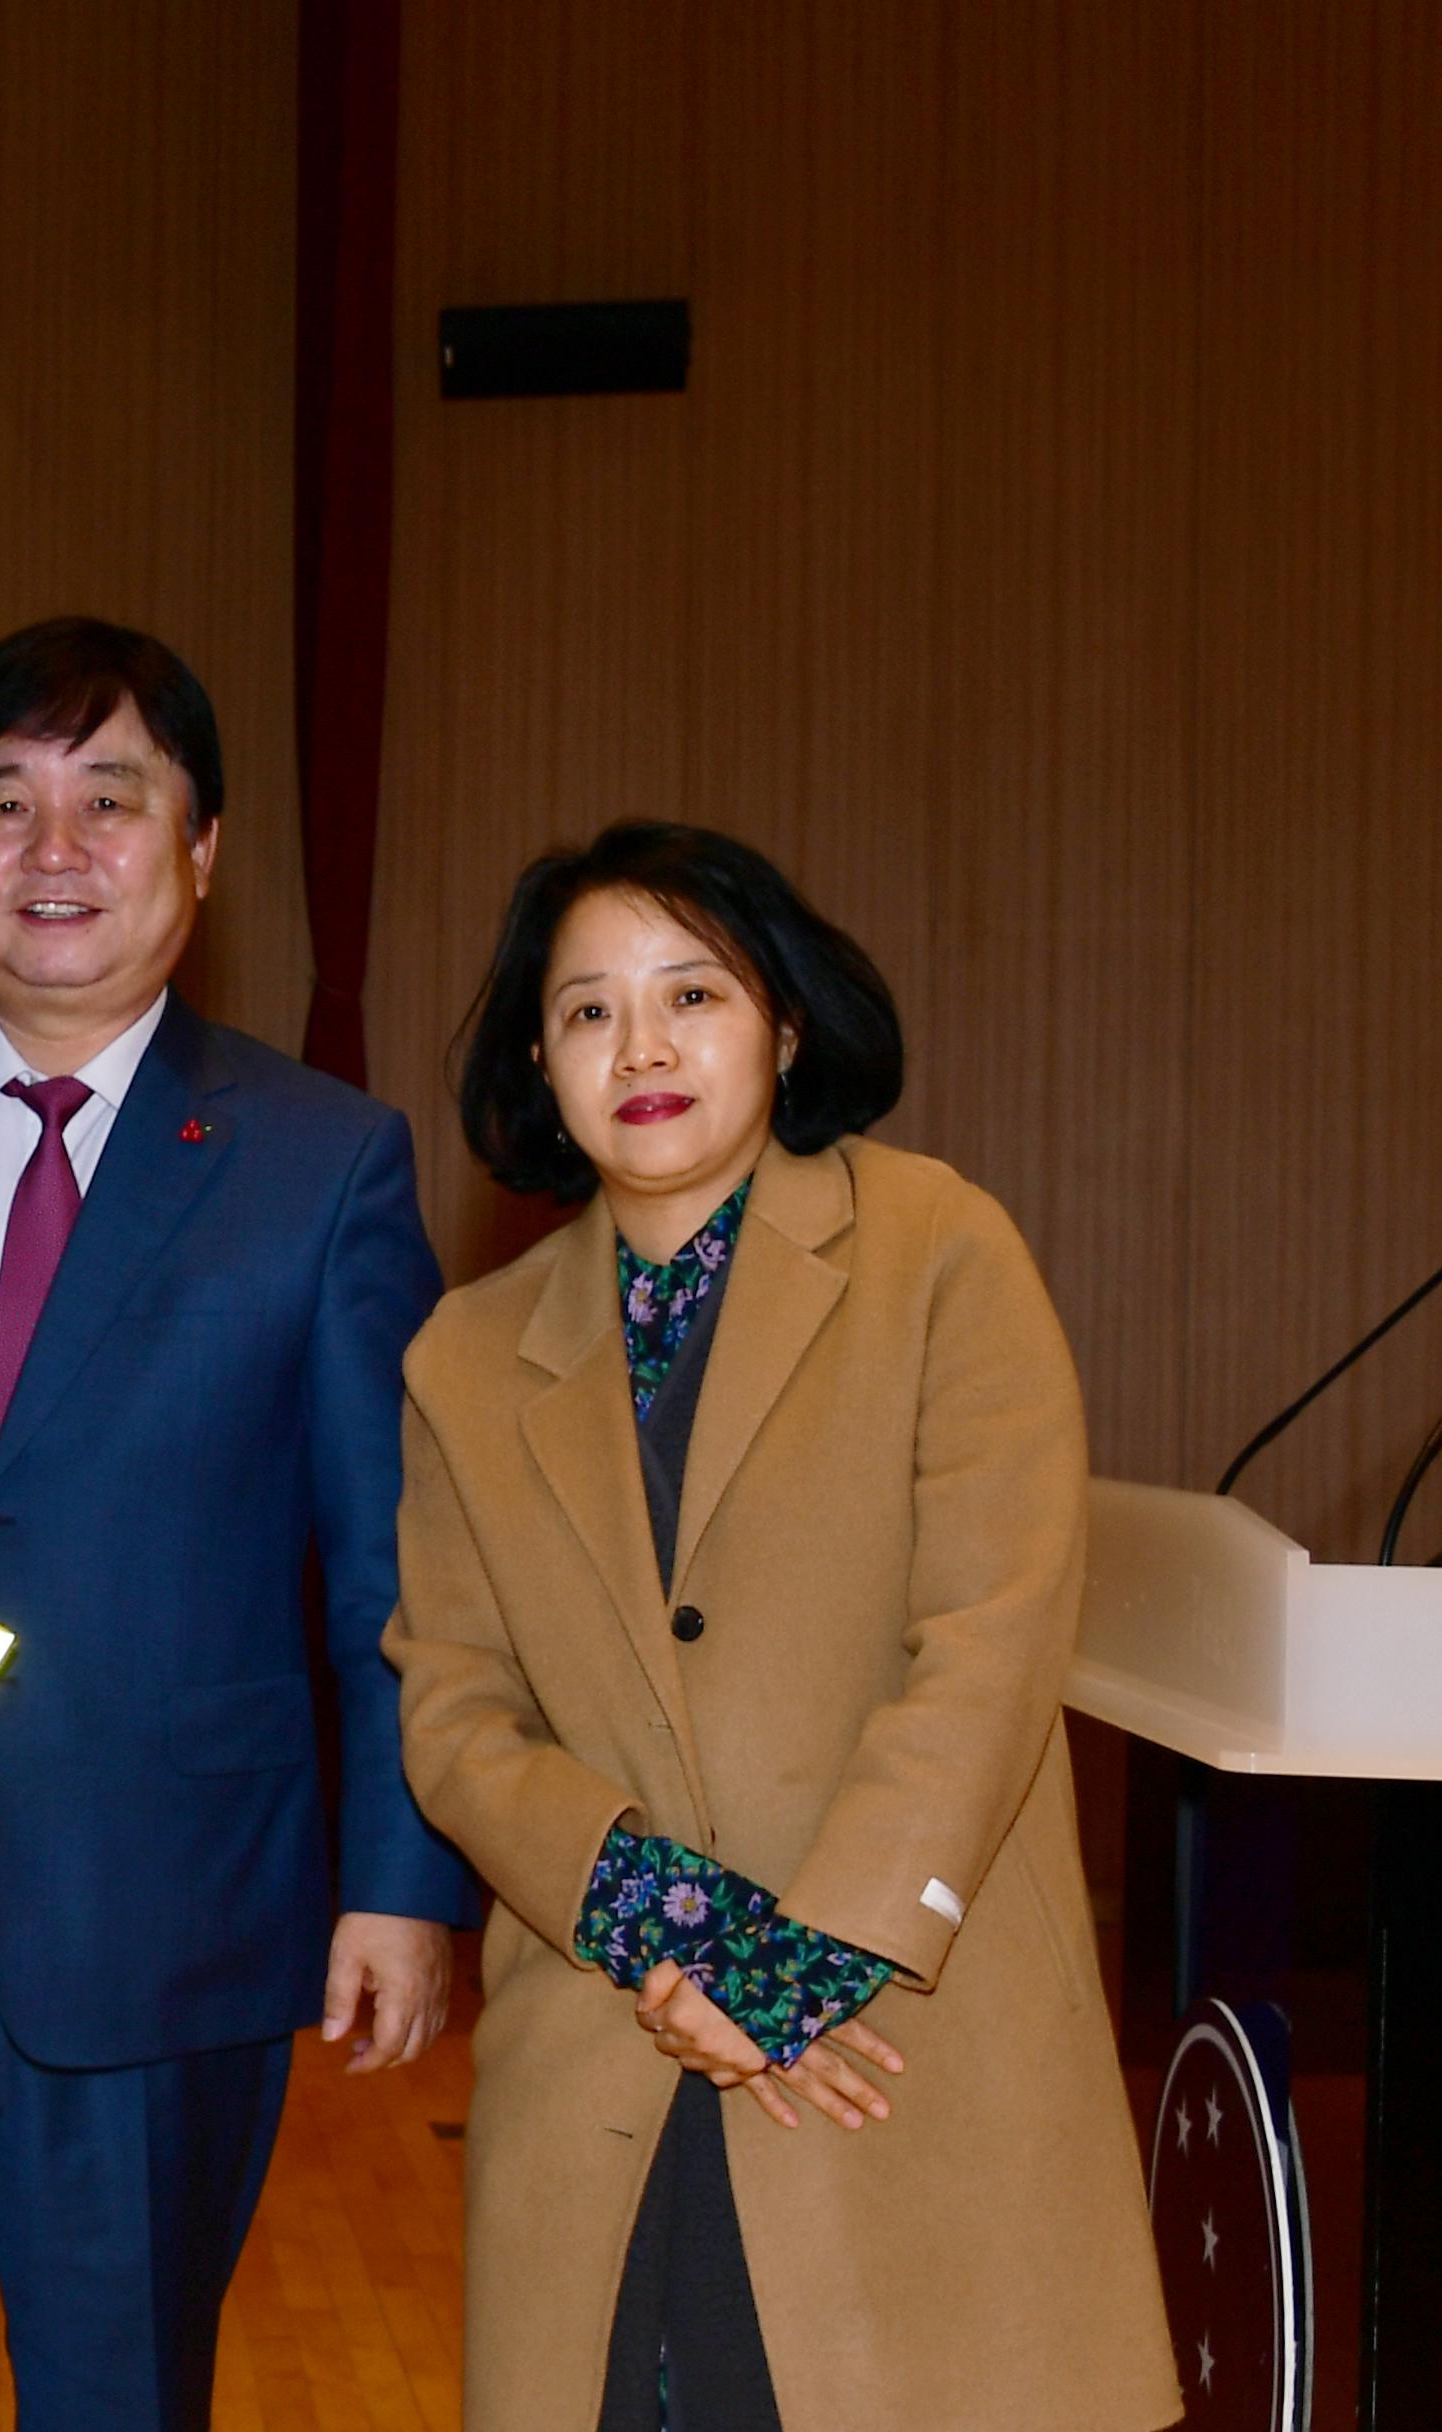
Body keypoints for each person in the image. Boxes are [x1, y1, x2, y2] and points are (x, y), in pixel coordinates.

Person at [0, 617, 462, 2429]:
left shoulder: (320, 1159)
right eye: (2, 804)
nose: (51, 851)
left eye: (108, 800)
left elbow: (396, 1572)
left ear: (198, 853)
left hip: (159, 1926)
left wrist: (398, 1881)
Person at [384, 822, 1175, 2430]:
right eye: (589, 1011)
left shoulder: (942, 1250)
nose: (645, 1046)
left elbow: (994, 1635)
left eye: (695, 993)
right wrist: (681, 1929)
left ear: (787, 1024)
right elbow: (455, 1713)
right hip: (611, 2053)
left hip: (888, 2042)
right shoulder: (464, 1356)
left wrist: (792, 1962)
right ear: (541, 1064)